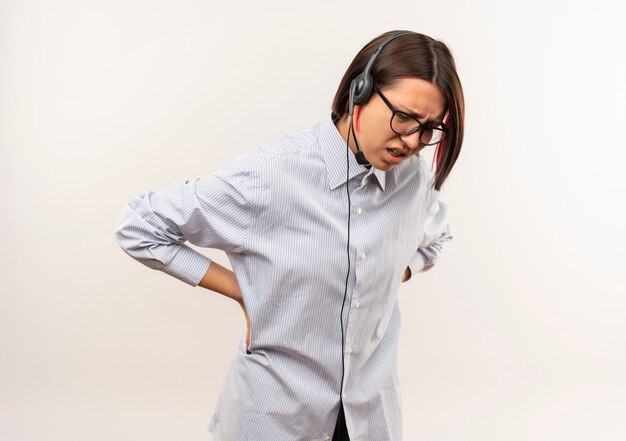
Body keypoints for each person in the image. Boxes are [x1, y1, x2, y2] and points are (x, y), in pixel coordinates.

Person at [114, 29, 464, 441]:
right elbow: (139, 226)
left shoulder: (413, 182)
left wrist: (390, 274)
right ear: (360, 91)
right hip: (274, 419)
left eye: (428, 129)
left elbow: (435, 239)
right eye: (403, 116)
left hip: (371, 420)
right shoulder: (270, 176)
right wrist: (241, 290)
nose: (412, 141)